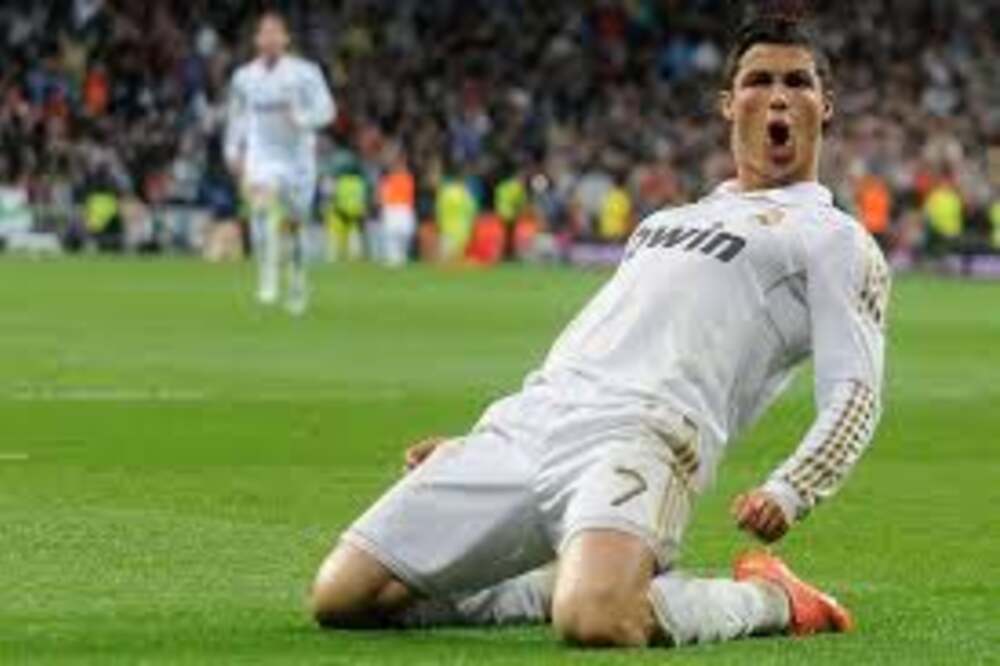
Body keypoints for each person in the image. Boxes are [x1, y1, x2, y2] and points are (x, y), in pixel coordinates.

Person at [310, 17, 890, 650]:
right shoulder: (665, 221)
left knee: (597, 621)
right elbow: (603, 334)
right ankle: (562, 580)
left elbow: (856, 392)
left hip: (645, 434)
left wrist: (792, 488)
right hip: (532, 423)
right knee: (344, 597)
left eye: (797, 82)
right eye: (759, 80)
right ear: (729, 104)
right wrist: (479, 438)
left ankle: (771, 598)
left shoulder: (834, 239)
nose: (778, 97)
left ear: (824, 106)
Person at [224, 11, 335, 315]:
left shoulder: (305, 73)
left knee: (295, 225)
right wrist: (233, 151)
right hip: (263, 154)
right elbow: (237, 117)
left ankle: (297, 280)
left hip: (298, 157)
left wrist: (302, 119)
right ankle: (267, 277)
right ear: (256, 40)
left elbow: (328, 110)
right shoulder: (244, 77)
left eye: (276, 33)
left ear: (286, 39)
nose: (270, 39)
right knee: (260, 208)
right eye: (264, 33)